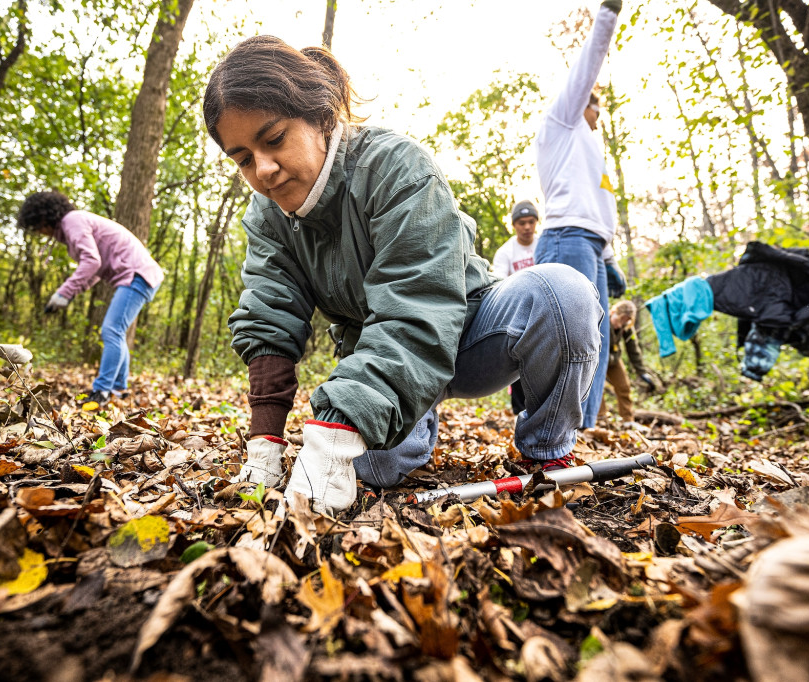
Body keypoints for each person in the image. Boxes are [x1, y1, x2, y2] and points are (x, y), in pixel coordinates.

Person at [202, 35, 601, 515]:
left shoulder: (396, 168)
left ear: (320, 114)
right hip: (376, 350)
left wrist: (333, 438)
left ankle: (548, 450)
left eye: (274, 140)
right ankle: (417, 416)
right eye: (243, 158)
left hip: (472, 330)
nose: (263, 169)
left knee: (563, 295)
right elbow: (270, 316)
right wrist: (265, 442)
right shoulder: (267, 216)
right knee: (373, 468)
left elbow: (418, 303)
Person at [534, 0, 624, 429]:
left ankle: (581, 428)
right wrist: (608, 14)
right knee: (572, 339)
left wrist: (609, 256)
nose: (597, 112)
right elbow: (588, 67)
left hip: (592, 245)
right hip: (566, 238)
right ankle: (555, 427)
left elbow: (601, 207)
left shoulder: (593, 147)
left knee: (599, 342)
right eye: (594, 104)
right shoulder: (562, 123)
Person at [16, 192, 164, 405]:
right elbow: (96, 271)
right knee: (117, 332)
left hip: (137, 275)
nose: (40, 232)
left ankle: (102, 392)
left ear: (43, 217)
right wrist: (69, 294)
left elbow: (91, 262)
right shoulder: (73, 226)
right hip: (140, 275)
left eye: (37, 226)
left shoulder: (72, 220)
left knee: (111, 331)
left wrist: (63, 293)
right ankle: (119, 390)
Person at [492, 199, 540, 415]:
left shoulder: (543, 245)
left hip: (544, 311)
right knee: (520, 362)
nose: (527, 227)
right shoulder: (506, 252)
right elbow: (499, 286)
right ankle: (519, 412)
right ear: (514, 225)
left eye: (531, 221)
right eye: (522, 222)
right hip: (519, 314)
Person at [598, 300, 655, 428]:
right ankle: (600, 418)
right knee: (598, 387)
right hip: (599, 358)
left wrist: (642, 372)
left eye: (626, 320)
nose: (621, 323)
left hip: (614, 358)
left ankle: (628, 420)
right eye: (620, 319)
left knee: (624, 386)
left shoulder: (626, 327)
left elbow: (633, 350)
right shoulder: (602, 321)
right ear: (614, 313)